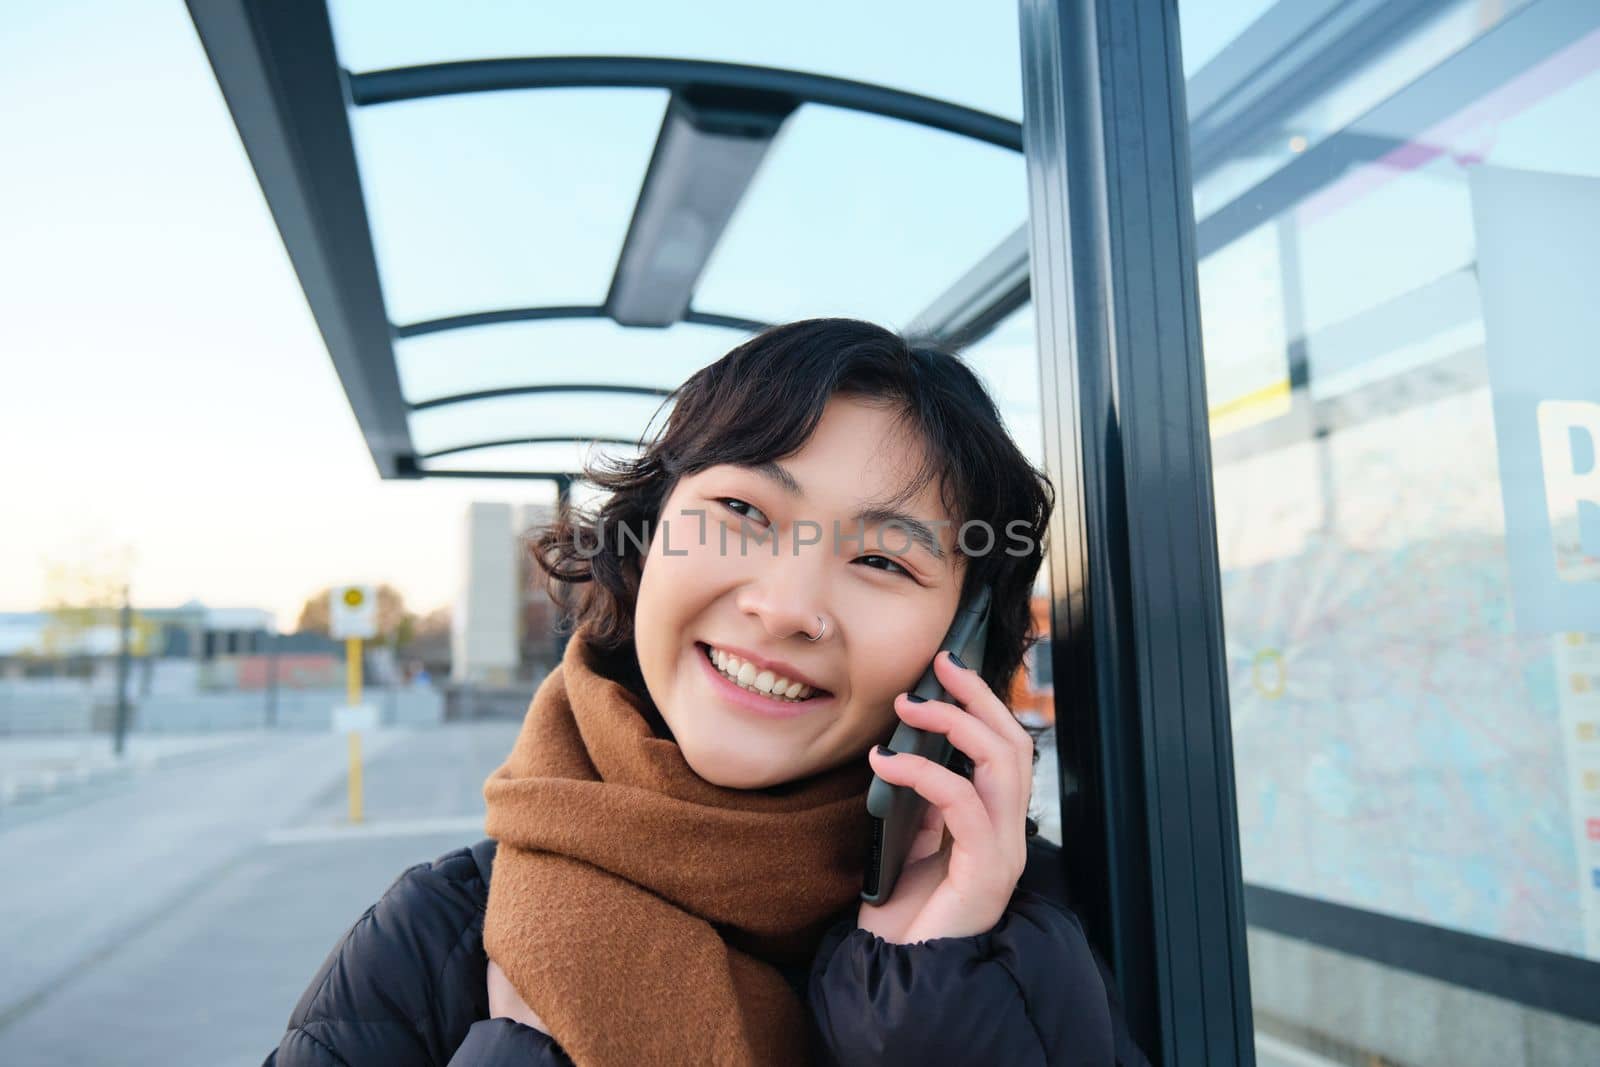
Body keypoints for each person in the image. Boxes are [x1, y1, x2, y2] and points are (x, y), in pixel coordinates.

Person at [262, 319, 1151, 1066]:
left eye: (882, 559)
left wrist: (938, 1001)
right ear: (647, 536)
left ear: (961, 642)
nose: (786, 606)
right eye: (745, 513)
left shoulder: (1022, 939)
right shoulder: (436, 934)